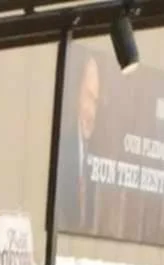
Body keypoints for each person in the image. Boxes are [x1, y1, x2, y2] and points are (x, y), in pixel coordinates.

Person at [57, 52, 104, 232]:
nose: (92, 111)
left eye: (96, 102)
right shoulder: (64, 147)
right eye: (88, 97)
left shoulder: (94, 154)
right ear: (76, 95)